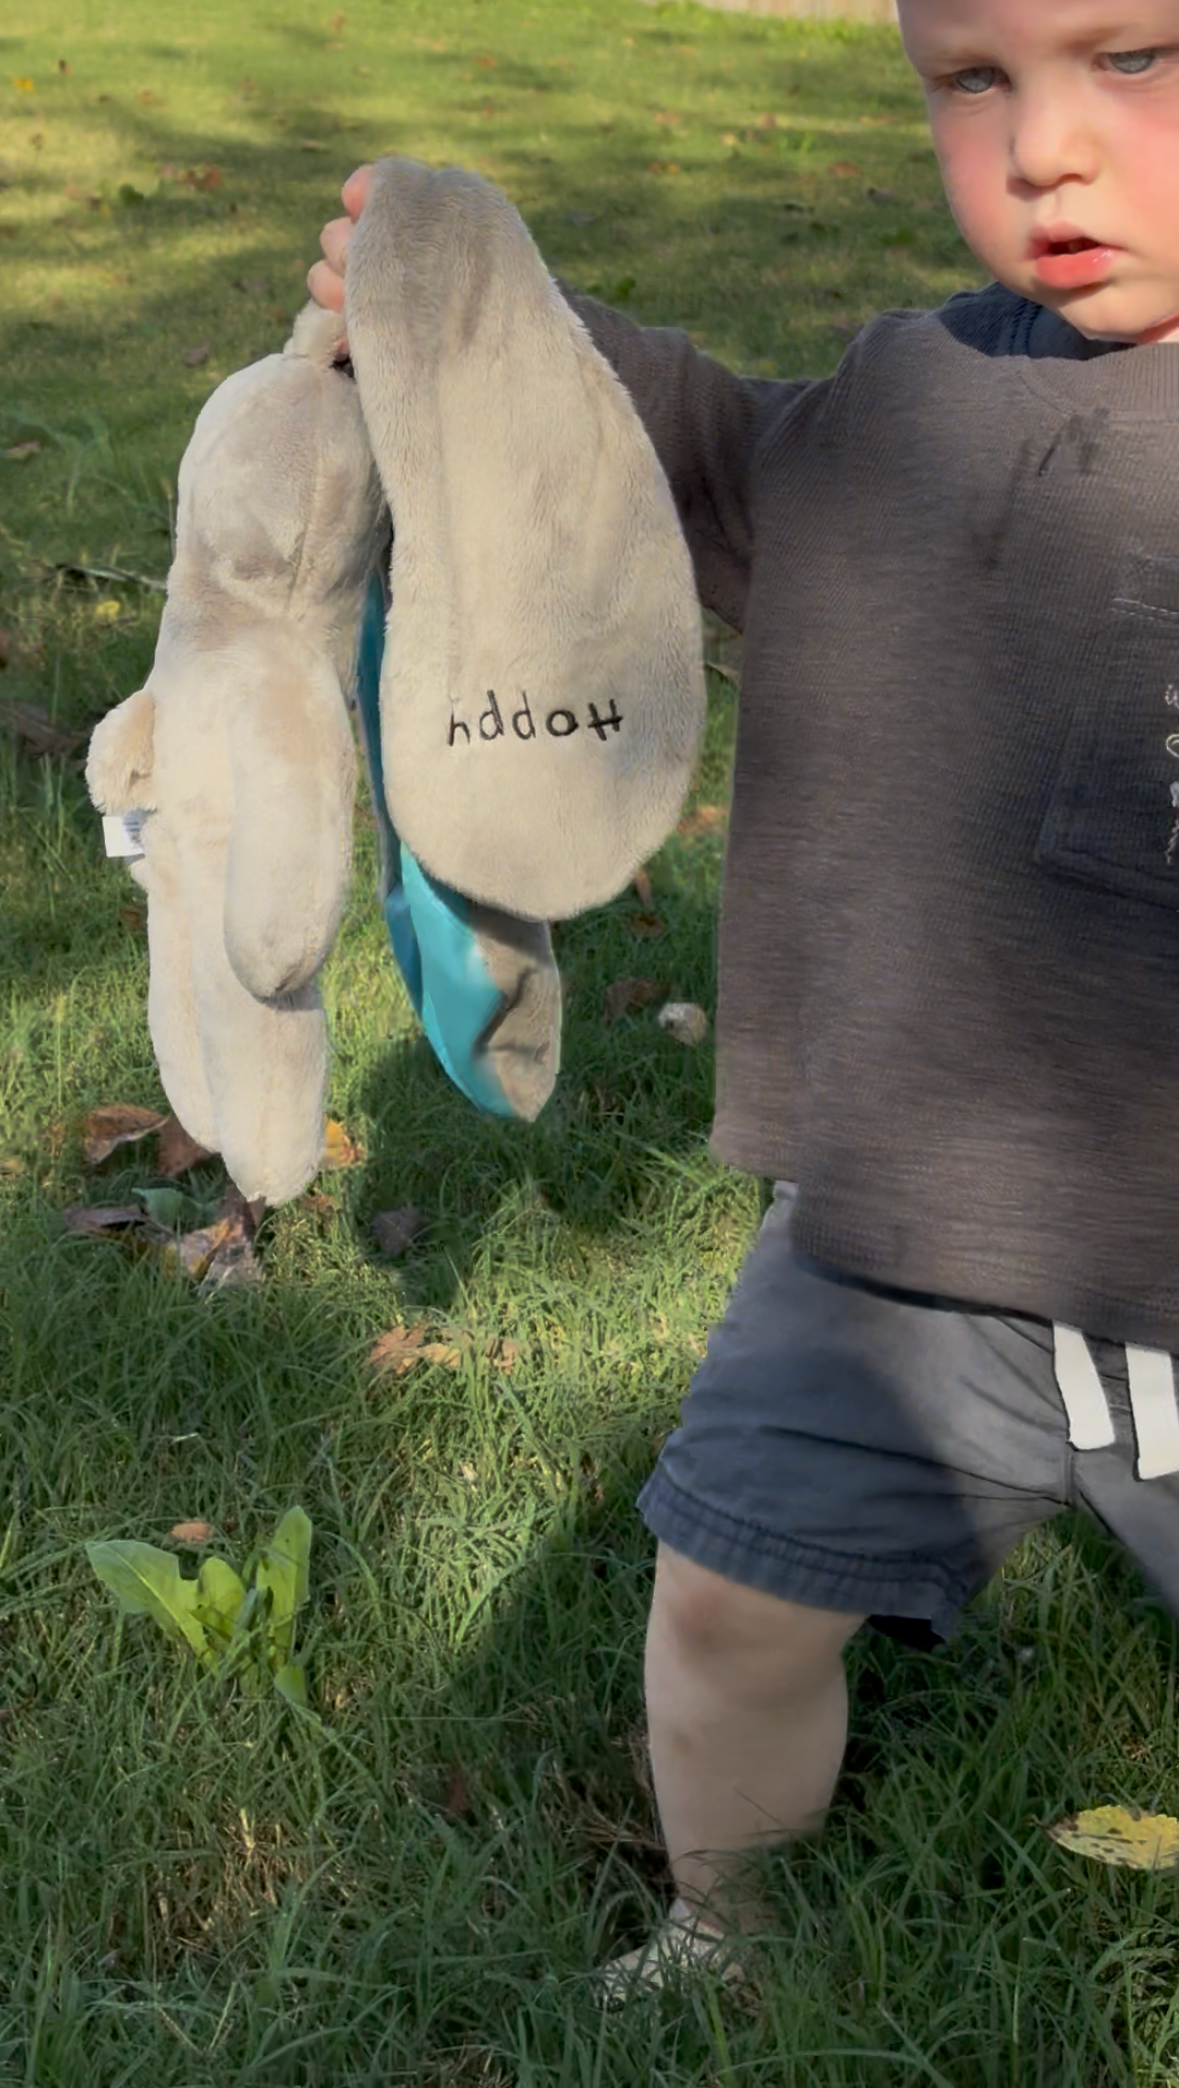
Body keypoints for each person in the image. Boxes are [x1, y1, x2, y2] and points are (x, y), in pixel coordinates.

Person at [309, 0, 1179, 1998]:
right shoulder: (911, 393)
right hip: (880, 1237)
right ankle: (729, 1927)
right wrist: (484, 324)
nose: (1042, 144)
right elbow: (686, 464)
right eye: (974, 80)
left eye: (1130, 56)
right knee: (723, 1606)